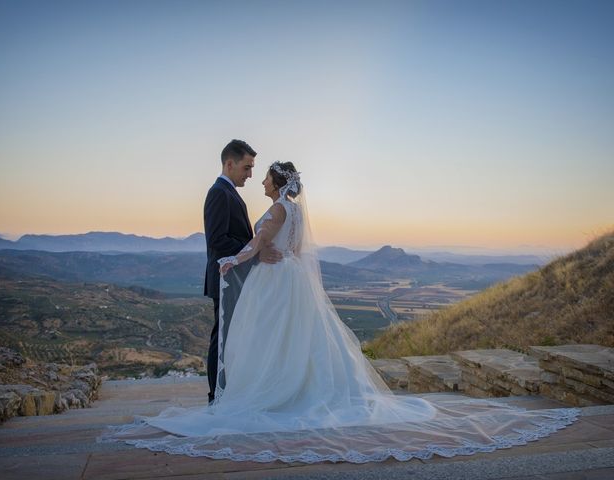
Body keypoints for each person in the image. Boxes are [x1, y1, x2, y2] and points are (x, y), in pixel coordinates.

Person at [97, 162, 579, 463]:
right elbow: (291, 249)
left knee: (266, 340)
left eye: (265, 174)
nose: (259, 178)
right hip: (290, 282)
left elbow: (255, 247)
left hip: (273, 283)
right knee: (294, 341)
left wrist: (229, 260)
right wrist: (261, 253)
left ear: (279, 183)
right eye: (256, 171)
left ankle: (267, 395)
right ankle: (295, 388)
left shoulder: (278, 209)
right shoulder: (297, 212)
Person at [202, 139, 281, 404]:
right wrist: (256, 251)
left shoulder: (229, 193)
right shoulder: (218, 193)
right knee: (222, 340)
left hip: (235, 279)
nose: (250, 174)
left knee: (232, 338)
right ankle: (216, 397)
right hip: (225, 279)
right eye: (247, 168)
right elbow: (217, 240)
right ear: (229, 163)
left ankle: (227, 392)